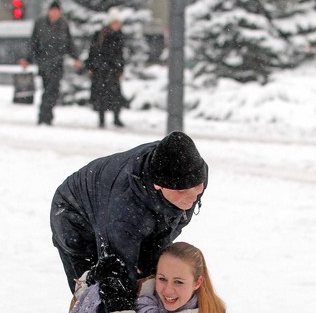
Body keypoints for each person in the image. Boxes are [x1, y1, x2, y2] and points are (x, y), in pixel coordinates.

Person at [50, 131, 209, 312]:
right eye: (181, 191)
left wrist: (152, 257)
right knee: (99, 291)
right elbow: (116, 278)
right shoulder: (123, 211)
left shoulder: (196, 172)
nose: (191, 197)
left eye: (196, 188)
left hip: (136, 212)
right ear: (159, 185)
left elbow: (172, 223)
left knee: (150, 278)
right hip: (75, 217)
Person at [70, 242, 226, 313]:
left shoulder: (211, 310)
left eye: (178, 282)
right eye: (162, 279)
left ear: (197, 282)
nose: (167, 290)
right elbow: (79, 301)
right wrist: (93, 280)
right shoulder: (138, 295)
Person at [18, 0, 81, 126]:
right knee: (48, 88)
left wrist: (75, 57)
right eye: (53, 11)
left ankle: (46, 115)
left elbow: (69, 42)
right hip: (44, 62)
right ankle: (44, 115)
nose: (55, 14)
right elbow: (33, 42)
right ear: (49, 11)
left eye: (57, 12)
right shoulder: (40, 23)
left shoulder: (63, 24)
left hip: (57, 63)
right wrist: (27, 59)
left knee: (53, 89)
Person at [85, 8, 126, 128]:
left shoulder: (119, 36)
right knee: (102, 96)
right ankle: (102, 119)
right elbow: (93, 51)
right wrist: (91, 66)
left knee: (115, 96)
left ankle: (116, 118)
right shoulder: (101, 34)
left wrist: (120, 68)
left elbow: (120, 54)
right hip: (102, 70)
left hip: (113, 70)